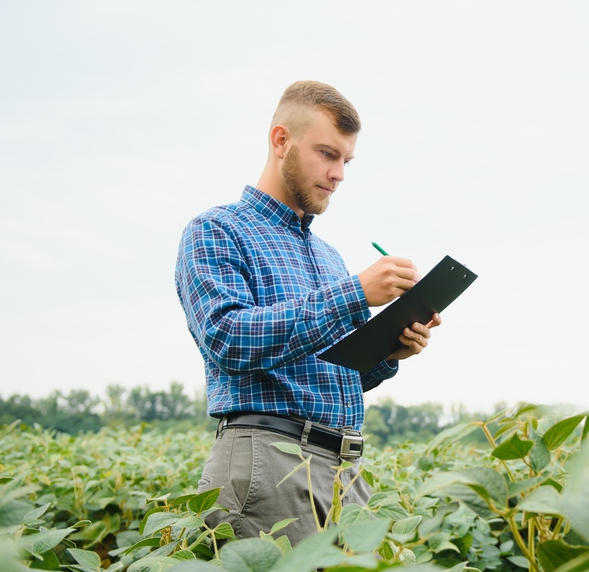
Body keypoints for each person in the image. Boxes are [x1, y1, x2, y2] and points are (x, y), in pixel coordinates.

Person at [174, 80, 440, 546]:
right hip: (268, 462)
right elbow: (227, 338)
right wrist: (355, 294)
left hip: (346, 470)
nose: (338, 174)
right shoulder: (217, 230)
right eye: (327, 154)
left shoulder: (329, 256)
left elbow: (337, 374)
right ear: (281, 141)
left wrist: (393, 350)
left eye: (346, 161)